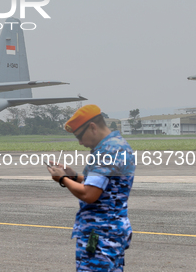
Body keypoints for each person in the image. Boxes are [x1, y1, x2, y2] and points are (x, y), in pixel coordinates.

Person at [47, 104, 135, 272]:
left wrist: (63, 179)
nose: (80, 142)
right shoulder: (118, 145)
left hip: (100, 234)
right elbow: (107, 185)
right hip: (113, 231)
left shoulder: (106, 151)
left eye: (80, 136)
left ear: (92, 127)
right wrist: (74, 177)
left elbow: (89, 194)